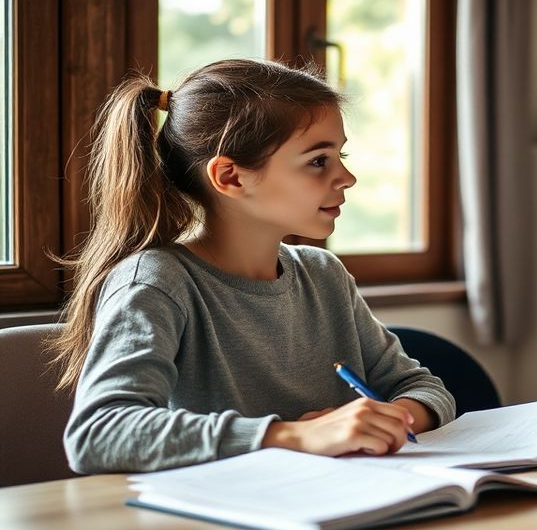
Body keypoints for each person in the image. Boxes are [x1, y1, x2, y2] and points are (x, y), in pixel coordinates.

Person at [53, 59, 456, 474]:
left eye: (341, 155)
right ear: (231, 177)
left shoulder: (324, 274)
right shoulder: (159, 282)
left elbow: (423, 388)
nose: (347, 177)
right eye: (319, 161)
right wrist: (292, 436)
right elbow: (99, 433)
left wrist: (391, 418)